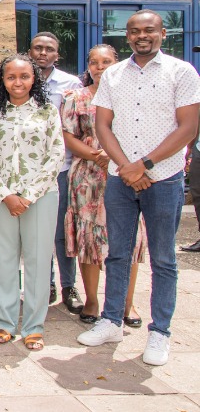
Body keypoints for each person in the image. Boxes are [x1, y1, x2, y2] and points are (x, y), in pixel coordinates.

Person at [77, 11, 200, 367]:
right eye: (134, 31)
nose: (142, 35)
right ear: (126, 36)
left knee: (163, 259)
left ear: (162, 33)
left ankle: (160, 332)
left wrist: (143, 165)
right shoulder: (113, 74)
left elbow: (188, 128)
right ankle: (111, 321)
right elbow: (103, 125)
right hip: (120, 180)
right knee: (117, 252)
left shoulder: (182, 72)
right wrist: (126, 168)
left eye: (149, 30)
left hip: (163, 179)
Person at [0, 55, 65, 351]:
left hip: (40, 198)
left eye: (24, 76)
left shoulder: (47, 112)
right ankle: (5, 323)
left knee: (38, 262)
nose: (18, 82)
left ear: (34, 78)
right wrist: (5, 194)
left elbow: (56, 154)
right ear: (2, 80)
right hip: (1, 197)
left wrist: (28, 196)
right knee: (4, 261)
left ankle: (33, 326)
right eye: (11, 77)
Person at [63, 44, 147, 328]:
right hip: (87, 177)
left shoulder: (133, 98)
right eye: (95, 62)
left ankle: (127, 303)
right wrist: (95, 156)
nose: (100, 67)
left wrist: (115, 159)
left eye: (106, 62)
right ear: (88, 67)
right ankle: (92, 301)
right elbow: (67, 135)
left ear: (117, 63)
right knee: (88, 238)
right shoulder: (75, 97)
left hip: (126, 174)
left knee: (127, 238)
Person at [29, 32, 84, 312]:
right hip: (27, 170)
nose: (42, 53)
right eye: (38, 48)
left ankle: (68, 285)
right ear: (29, 51)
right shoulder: (19, 78)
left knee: (61, 232)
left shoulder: (70, 84)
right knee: (38, 232)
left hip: (60, 168)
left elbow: (75, 126)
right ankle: (46, 283)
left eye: (49, 49)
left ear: (57, 55)